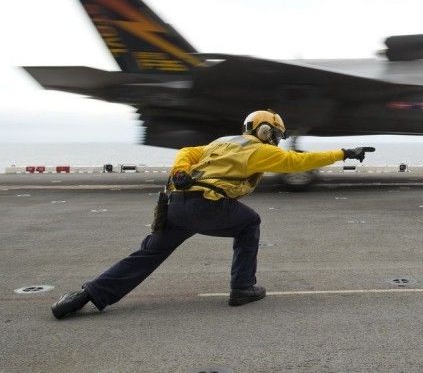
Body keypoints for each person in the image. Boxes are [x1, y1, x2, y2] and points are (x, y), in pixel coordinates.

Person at [51, 109, 372, 319]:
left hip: (177, 205)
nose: (276, 141)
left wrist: (180, 171)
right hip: (208, 205)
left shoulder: (223, 142)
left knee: (147, 254)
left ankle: (85, 296)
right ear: (265, 131)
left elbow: (187, 152)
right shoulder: (258, 150)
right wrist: (344, 152)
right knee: (249, 223)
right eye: (276, 134)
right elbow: (298, 162)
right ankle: (242, 288)